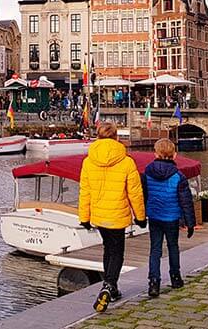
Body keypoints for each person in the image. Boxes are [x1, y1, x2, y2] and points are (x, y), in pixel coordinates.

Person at [79, 122, 146, 313]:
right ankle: (109, 285)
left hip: (99, 215)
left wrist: (84, 217)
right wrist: (140, 217)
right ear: (116, 137)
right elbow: (135, 193)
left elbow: (85, 192)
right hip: (118, 214)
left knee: (108, 249)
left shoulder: (88, 161)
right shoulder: (126, 161)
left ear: (98, 137)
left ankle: (112, 287)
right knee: (117, 252)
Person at [142, 138, 196, 297]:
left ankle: (154, 282)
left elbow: (144, 195)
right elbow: (186, 201)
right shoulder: (178, 176)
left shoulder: (147, 173)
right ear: (174, 155)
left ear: (155, 154)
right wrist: (190, 223)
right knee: (173, 246)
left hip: (154, 215)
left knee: (155, 249)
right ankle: (175, 277)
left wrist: (142, 214)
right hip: (171, 216)